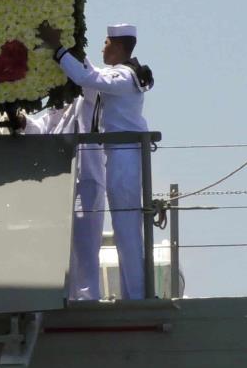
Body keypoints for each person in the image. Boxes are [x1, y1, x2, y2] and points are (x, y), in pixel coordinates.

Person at [39, 22, 153, 300]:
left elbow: (87, 79)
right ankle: (133, 292)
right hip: (118, 153)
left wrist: (59, 48)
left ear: (117, 46)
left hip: (125, 154)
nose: (102, 47)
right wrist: (74, 48)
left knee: (126, 226)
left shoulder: (124, 77)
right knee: (124, 225)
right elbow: (91, 73)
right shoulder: (119, 74)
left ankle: (136, 295)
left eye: (105, 43)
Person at [22, 89, 107, 300]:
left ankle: (88, 299)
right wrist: (21, 121)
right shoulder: (56, 110)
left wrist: (66, 58)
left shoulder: (87, 99)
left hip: (85, 181)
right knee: (62, 246)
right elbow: (39, 129)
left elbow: (87, 79)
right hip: (60, 184)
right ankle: (67, 297)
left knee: (85, 244)